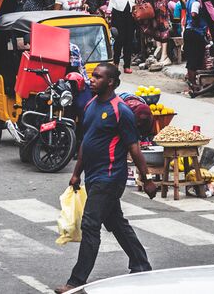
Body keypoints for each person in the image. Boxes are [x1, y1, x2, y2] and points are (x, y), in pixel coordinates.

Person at [57, 63, 156, 293]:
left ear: (110, 82)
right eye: (92, 76)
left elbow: (134, 148)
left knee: (90, 225)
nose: (92, 80)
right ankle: (141, 263)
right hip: (93, 176)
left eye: (98, 77)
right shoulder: (91, 105)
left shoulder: (121, 111)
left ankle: (76, 281)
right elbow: (86, 142)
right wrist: (76, 173)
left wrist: (147, 178)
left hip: (110, 177)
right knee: (115, 222)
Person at [107, 0, 142, 72]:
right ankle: (116, 62)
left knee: (129, 39)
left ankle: (127, 65)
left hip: (131, 13)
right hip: (118, 12)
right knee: (119, 38)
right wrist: (109, 11)